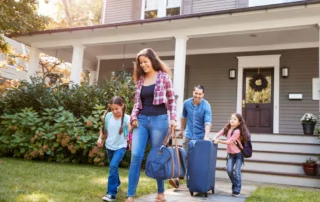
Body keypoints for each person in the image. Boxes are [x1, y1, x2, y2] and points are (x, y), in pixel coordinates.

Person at [125, 48, 177, 202]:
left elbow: (172, 100)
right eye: (140, 63)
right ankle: (130, 195)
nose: (143, 65)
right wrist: (133, 117)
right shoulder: (140, 80)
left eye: (145, 62)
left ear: (152, 61)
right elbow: (136, 104)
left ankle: (160, 193)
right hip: (142, 120)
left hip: (159, 120)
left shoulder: (164, 77)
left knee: (157, 157)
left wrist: (173, 118)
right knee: (136, 156)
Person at [168, 85, 212, 189]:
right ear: (193, 92)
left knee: (197, 160)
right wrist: (182, 130)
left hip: (200, 137)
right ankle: (178, 178)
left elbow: (208, 122)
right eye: (196, 93)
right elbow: (183, 117)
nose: (197, 96)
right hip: (189, 135)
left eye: (200, 94)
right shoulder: (187, 103)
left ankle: (195, 181)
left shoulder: (206, 105)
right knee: (184, 156)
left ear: (203, 94)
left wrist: (206, 136)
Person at [97, 96, 131, 202]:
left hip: (121, 146)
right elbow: (103, 130)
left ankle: (111, 194)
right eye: (112, 109)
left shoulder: (127, 118)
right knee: (113, 168)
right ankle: (117, 183)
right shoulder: (108, 116)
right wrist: (100, 139)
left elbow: (130, 130)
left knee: (112, 166)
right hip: (109, 146)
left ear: (122, 106)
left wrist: (130, 126)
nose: (114, 111)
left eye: (117, 108)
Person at [213, 113, 249, 197]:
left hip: (239, 154)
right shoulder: (228, 127)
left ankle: (237, 189)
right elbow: (220, 132)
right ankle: (236, 184)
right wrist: (215, 137)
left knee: (237, 172)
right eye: (231, 118)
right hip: (231, 154)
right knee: (229, 170)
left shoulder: (237, 131)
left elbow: (230, 141)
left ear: (239, 123)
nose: (232, 120)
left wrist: (218, 141)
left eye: (235, 119)